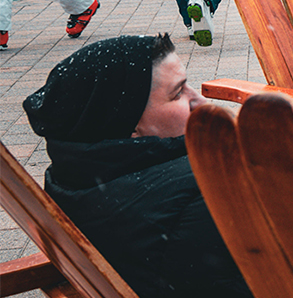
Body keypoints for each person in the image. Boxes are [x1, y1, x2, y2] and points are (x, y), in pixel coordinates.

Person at [24, 34, 253, 298]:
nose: (200, 101)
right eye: (177, 93)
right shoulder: (204, 193)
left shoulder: (70, 175)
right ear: (129, 127)